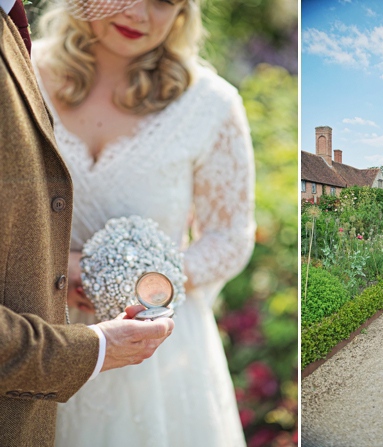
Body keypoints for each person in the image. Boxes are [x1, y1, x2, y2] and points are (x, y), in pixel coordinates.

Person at [32, 0, 255, 443]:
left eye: (163, 1)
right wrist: (60, 268)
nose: (138, 13)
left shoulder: (210, 104)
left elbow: (229, 238)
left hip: (156, 350)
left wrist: (140, 281)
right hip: (34, 333)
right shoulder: (21, 72)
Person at [0, 3, 174, 447]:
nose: (137, 12)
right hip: (48, 367)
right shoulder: (37, 62)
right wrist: (93, 350)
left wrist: (149, 280)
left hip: (149, 354)